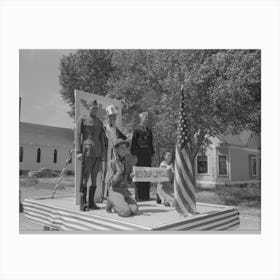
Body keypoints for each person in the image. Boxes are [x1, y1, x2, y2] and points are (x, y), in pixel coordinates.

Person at [76, 99, 105, 211]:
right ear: (88, 108)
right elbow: (78, 136)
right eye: (93, 108)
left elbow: (101, 139)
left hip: (97, 153)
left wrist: (102, 154)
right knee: (85, 177)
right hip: (87, 152)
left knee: (94, 178)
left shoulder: (99, 122)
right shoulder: (82, 119)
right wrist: (78, 151)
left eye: (96, 108)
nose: (95, 110)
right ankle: (83, 204)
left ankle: (91, 202)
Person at [106, 139, 138, 217]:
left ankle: (121, 202)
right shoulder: (112, 163)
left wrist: (131, 177)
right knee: (125, 212)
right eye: (122, 148)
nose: (125, 150)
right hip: (115, 189)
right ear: (116, 149)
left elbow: (129, 182)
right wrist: (118, 173)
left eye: (125, 148)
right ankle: (111, 200)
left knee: (134, 210)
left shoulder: (127, 163)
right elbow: (109, 182)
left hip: (125, 190)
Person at [103, 105, 127, 199]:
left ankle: (112, 192)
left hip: (114, 152)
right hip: (107, 152)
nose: (114, 118)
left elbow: (123, 137)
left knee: (115, 172)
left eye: (115, 116)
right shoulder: (104, 126)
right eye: (112, 116)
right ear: (108, 116)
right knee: (107, 172)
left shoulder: (115, 128)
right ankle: (104, 194)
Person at [130, 111, 155, 201]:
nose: (147, 120)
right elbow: (134, 142)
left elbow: (151, 143)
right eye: (145, 118)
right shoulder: (137, 130)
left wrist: (152, 152)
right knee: (139, 174)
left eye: (148, 118)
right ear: (141, 119)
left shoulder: (149, 131)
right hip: (139, 155)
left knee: (147, 174)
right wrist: (134, 153)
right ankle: (139, 196)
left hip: (147, 155)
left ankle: (146, 195)